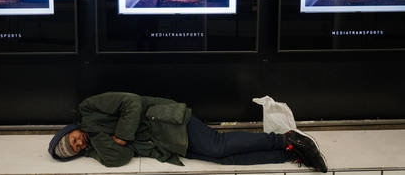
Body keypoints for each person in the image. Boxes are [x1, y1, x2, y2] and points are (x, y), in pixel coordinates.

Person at [48, 92, 328, 173]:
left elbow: (131, 102)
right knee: (223, 160)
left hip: (167, 121)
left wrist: (120, 135)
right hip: (167, 144)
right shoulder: (96, 146)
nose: (79, 143)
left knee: (218, 146)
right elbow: (118, 159)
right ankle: (288, 154)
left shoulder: (88, 110)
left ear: (69, 131)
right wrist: (97, 140)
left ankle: (286, 138)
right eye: (76, 149)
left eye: (72, 140)